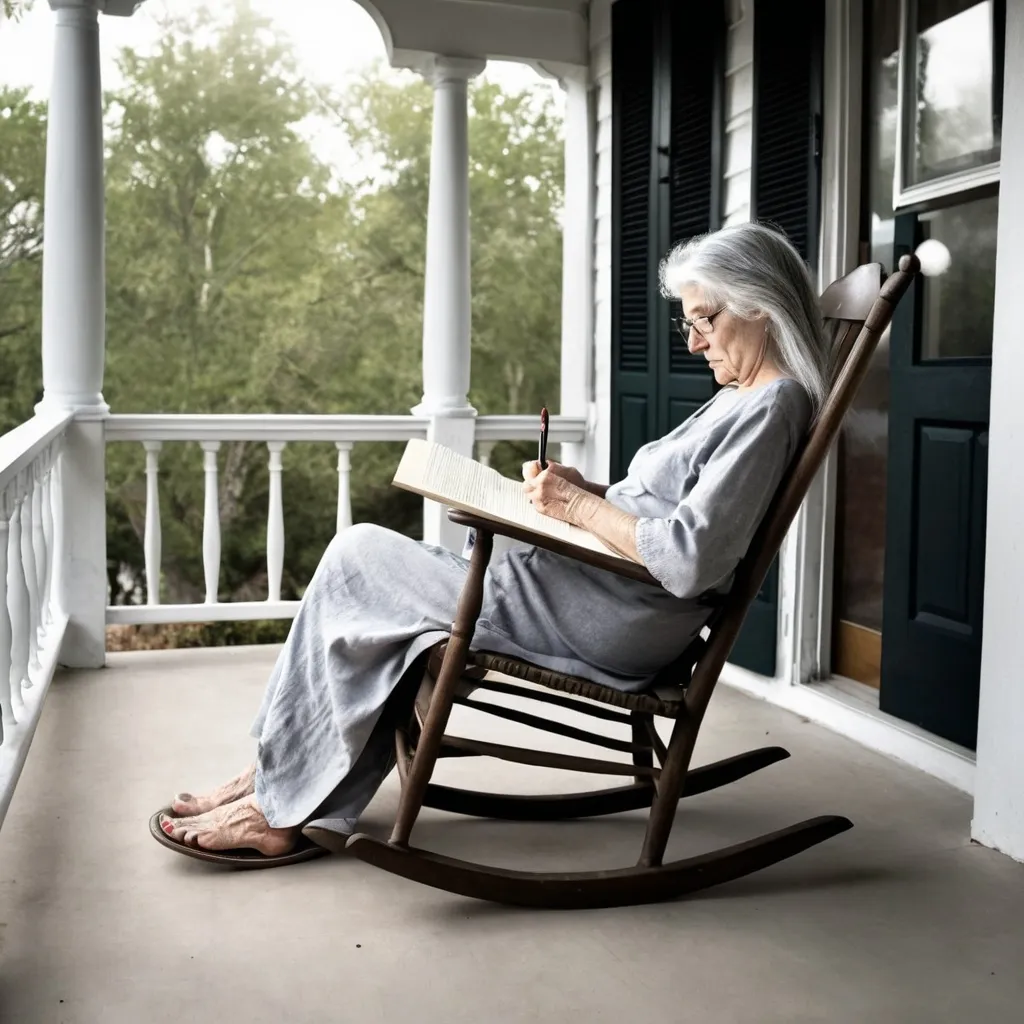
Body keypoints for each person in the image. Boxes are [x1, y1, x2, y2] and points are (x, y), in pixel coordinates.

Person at [155, 222, 827, 860]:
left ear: (760, 307)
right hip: (583, 590)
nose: (692, 342)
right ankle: (280, 783)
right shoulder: (741, 396)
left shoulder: (773, 406)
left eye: (704, 320)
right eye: (690, 323)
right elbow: (660, 508)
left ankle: (278, 803)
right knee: (387, 612)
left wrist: (574, 505)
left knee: (357, 559)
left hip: (607, 614)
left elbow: (687, 559)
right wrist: (581, 489)